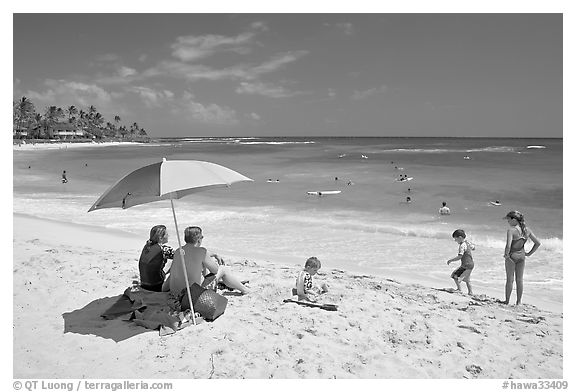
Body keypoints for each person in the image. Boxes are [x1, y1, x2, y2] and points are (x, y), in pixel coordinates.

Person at [169, 226, 249, 297]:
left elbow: (193, 254)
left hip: (176, 292)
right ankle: (245, 290)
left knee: (202, 265)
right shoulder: (201, 251)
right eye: (202, 237)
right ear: (198, 240)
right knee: (223, 269)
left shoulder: (178, 251)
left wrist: (213, 255)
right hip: (191, 294)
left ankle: (231, 283)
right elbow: (215, 270)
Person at [503, 211, 541, 305]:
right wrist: (529, 254)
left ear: (514, 220)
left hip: (512, 256)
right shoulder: (527, 230)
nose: (508, 222)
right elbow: (537, 243)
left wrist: (506, 255)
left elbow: (508, 245)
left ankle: (507, 301)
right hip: (522, 256)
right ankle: (519, 302)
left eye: (508, 219)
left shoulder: (511, 230)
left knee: (510, 279)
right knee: (519, 280)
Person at [138, 225, 174, 292]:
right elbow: (179, 256)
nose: (168, 235)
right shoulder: (164, 249)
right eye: (166, 234)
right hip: (156, 285)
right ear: (160, 237)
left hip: (144, 284)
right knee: (175, 262)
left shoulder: (147, 246)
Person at [446, 229, 475, 295]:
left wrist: (451, 260)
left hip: (466, 265)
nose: (455, 240)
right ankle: (470, 292)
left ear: (460, 237)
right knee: (467, 279)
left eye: (455, 239)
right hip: (471, 264)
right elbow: (473, 248)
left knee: (455, 275)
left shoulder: (462, 246)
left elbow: (460, 256)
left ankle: (459, 289)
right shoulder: (467, 243)